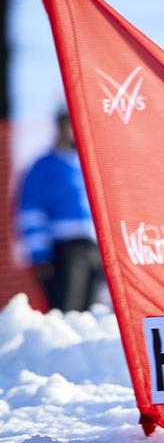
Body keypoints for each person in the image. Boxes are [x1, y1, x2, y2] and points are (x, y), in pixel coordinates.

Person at [18, 109, 103, 311]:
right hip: (64, 250)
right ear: (60, 128)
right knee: (66, 310)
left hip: (92, 247)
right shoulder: (44, 166)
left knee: (89, 314)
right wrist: (40, 255)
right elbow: (31, 212)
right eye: (70, 125)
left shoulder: (86, 162)